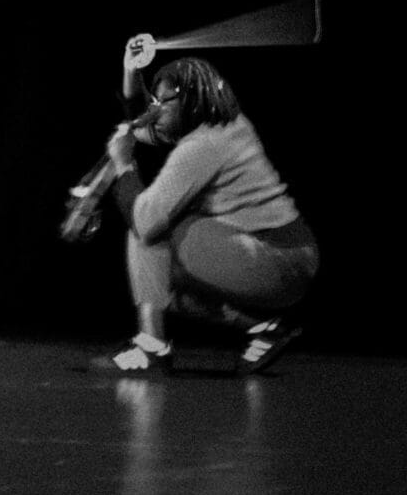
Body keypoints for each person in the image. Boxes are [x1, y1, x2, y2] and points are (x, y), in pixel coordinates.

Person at [99, 55, 319, 374]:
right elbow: (147, 124)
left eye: (163, 101)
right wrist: (131, 69)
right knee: (156, 282)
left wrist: (124, 165)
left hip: (277, 259)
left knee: (147, 235)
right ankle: (263, 330)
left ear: (190, 100)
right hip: (286, 257)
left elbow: (145, 223)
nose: (155, 108)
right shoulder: (221, 123)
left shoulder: (204, 145)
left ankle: (150, 349)